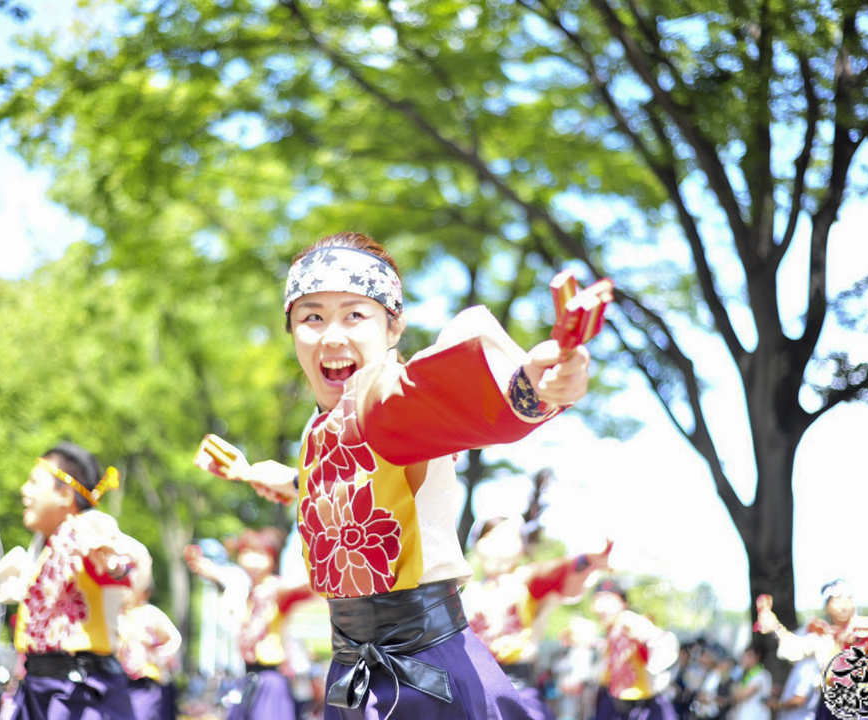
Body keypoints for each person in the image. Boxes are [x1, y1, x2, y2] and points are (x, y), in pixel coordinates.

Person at [213, 232, 593, 719]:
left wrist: (535, 384)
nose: (332, 336)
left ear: (394, 327)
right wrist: (278, 479)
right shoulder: (320, 427)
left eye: (354, 315)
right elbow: (345, 481)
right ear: (292, 330)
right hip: (354, 671)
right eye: (312, 317)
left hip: (427, 675)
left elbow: (456, 398)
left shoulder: (385, 397)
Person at [0, 442, 144, 719]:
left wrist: (115, 566)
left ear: (65, 494)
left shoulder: (87, 527)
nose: (24, 490)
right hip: (41, 687)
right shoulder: (45, 546)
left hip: (78, 693)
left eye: (33, 482)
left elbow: (124, 564)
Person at [463, 515, 612, 720]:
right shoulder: (469, 591)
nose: (499, 546)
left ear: (521, 547)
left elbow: (553, 573)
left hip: (514, 688)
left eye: (509, 538)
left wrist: (585, 559)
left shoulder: (524, 579)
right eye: (491, 537)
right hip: (470, 689)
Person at [184, 527, 313, 720]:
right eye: (247, 552)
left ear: (273, 558)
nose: (252, 560)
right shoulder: (244, 592)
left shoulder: (275, 589)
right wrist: (200, 562)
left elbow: (306, 588)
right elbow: (217, 574)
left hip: (271, 680)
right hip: (248, 678)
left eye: (260, 554)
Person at [756, 579, 868, 720]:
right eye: (836, 600)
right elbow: (795, 647)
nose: (844, 605)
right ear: (827, 607)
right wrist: (775, 627)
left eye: (848, 598)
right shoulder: (823, 636)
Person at [592, 579, 680, 720]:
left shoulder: (631, 622)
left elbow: (666, 648)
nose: (600, 607)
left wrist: (648, 635)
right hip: (616, 707)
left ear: (623, 603)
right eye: (597, 599)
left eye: (607, 598)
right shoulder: (609, 632)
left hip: (645, 708)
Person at [117, 542, 181, 720]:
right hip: (121, 679)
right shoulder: (118, 614)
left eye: (129, 588)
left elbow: (174, 639)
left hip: (145, 680)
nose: (125, 592)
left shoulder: (150, 613)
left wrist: (158, 654)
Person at [728, 646, 771, 720]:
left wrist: (741, 669)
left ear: (757, 657)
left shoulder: (761, 675)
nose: (744, 659)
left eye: (748, 656)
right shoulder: (747, 675)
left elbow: (740, 696)